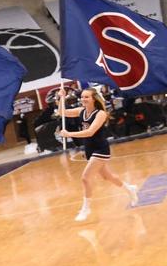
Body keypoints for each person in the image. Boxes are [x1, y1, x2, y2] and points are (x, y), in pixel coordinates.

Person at [59, 88, 140, 221]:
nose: (83, 99)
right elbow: (62, 112)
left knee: (85, 178)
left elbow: (90, 132)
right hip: (89, 149)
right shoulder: (81, 111)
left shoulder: (100, 114)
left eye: (87, 97)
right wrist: (62, 98)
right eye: (82, 97)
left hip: (100, 149)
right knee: (108, 177)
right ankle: (129, 189)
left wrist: (69, 134)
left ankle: (86, 208)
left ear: (94, 99)